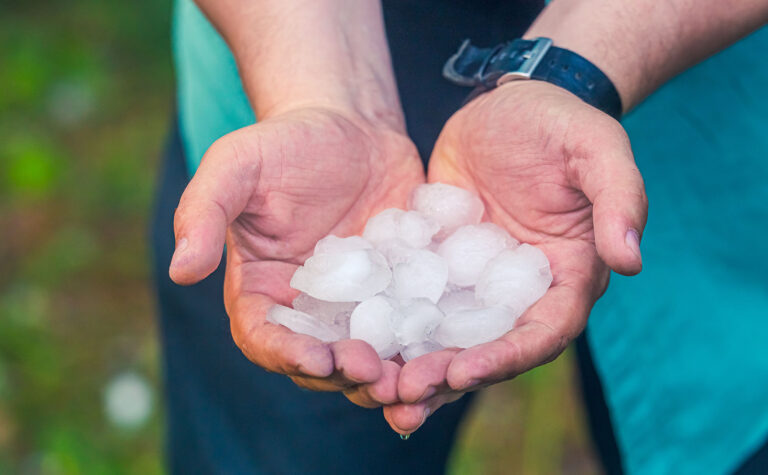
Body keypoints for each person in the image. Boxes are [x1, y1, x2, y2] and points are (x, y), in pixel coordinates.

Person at [150, 0, 768, 472]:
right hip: (292, 51)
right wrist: (318, 96)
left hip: (699, 108)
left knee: (718, 404)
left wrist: (567, 72)